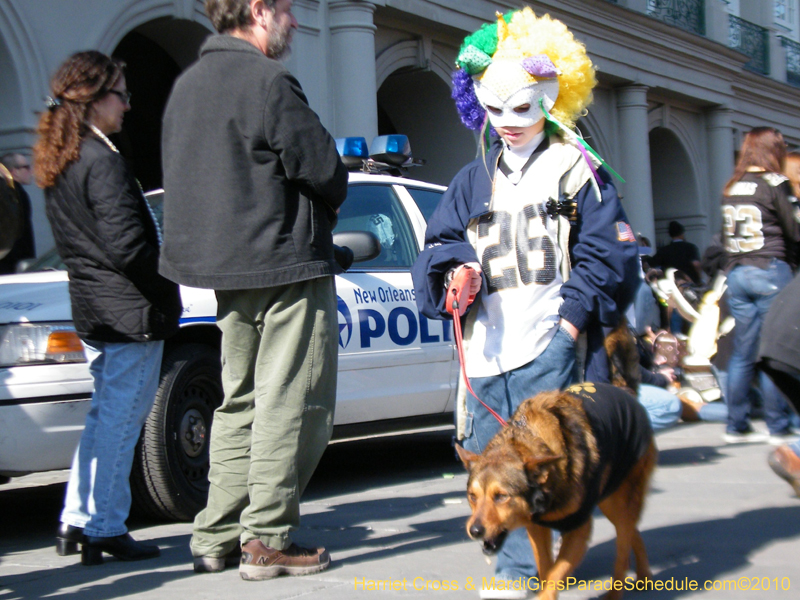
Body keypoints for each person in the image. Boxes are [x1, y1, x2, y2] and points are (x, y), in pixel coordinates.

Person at [411, 8, 639, 598]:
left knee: (552, 468)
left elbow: (606, 256)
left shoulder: (578, 169)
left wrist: (568, 326)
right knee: (497, 469)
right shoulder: (471, 177)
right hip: (488, 350)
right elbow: (439, 243)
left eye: (523, 107)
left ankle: (537, 569)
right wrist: (455, 270)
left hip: (554, 344)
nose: (507, 122)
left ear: (552, 98)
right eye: (494, 109)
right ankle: (520, 571)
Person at [160, 0, 348, 580]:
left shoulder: (187, 85)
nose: (292, 22)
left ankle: (215, 535)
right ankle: (265, 540)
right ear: (259, 10)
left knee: (237, 401)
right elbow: (325, 171)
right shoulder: (268, 80)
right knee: (292, 402)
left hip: (225, 274)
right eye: (286, 10)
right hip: (285, 266)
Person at [32, 51, 181, 564]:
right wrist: (169, 283)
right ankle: (102, 526)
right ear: (93, 101)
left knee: (104, 417)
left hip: (96, 307)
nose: (127, 105)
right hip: (128, 310)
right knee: (120, 421)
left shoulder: (65, 159)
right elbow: (128, 248)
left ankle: (78, 519)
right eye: (120, 94)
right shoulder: (102, 161)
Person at [720, 127, 799, 445]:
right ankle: (778, 424)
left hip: (738, 272)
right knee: (772, 352)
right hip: (770, 268)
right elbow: (793, 229)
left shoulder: (732, 185)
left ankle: (735, 424)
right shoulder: (774, 183)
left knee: (743, 351)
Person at [759, 153, 800, 496]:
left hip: (780, 322)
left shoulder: (734, 186)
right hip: (776, 282)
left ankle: (790, 449)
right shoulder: (773, 188)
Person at [0, 152, 35, 273]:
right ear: (14, 171)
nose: (31, 171)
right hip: (12, 266)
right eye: (26, 167)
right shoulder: (16, 194)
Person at [652, 220, 702, 285]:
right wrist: (699, 278)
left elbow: (654, 265)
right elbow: (696, 264)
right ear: (682, 233)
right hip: (689, 282)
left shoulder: (663, 250)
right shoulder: (690, 247)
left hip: (671, 283)